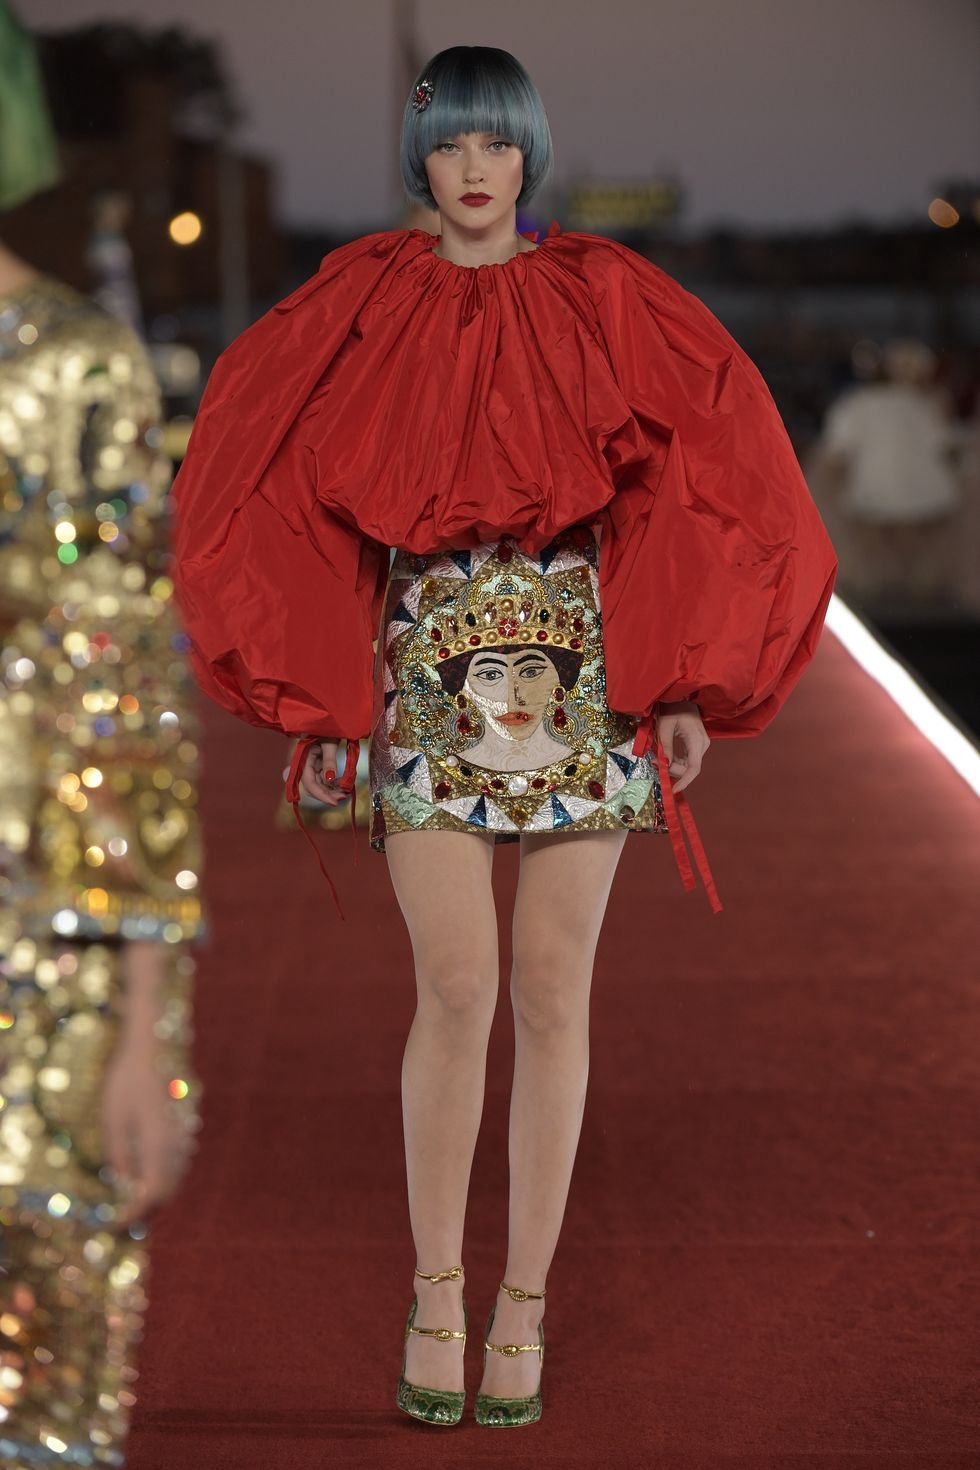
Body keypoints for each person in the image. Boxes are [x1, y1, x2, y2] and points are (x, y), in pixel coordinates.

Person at [172, 46, 837, 1428]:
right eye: (450, 143)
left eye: (497, 141)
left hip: (586, 672)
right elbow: (262, 464)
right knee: (459, 984)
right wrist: (316, 690)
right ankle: (436, 1292)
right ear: (421, 158)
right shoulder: (361, 299)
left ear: (529, 150)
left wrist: (681, 681)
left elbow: (704, 474)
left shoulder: (606, 293)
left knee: (548, 988)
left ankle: (523, 1300)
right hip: (423, 669)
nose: (474, 168)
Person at [0, 5, 203, 1459]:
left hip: (38, 974)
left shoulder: (73, 369)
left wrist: (148, 1025)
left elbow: (126, 705)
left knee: (43, 1405)